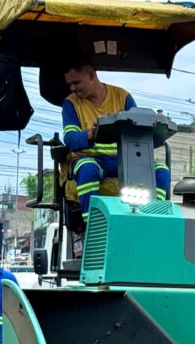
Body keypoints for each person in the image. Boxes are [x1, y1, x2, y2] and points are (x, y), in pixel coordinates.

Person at [61, 57, 171, 229]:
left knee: (161, 171)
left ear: (91, 75)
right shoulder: (70, 104)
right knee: (87, 169)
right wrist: (91, 134)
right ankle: (94, 228)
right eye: (70, 84)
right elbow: (70, 139)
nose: (73, 88)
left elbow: (138, 126)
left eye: (76, 82)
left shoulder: (123, 97)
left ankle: (152, 221)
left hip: (124, 161)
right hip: (93, 160)